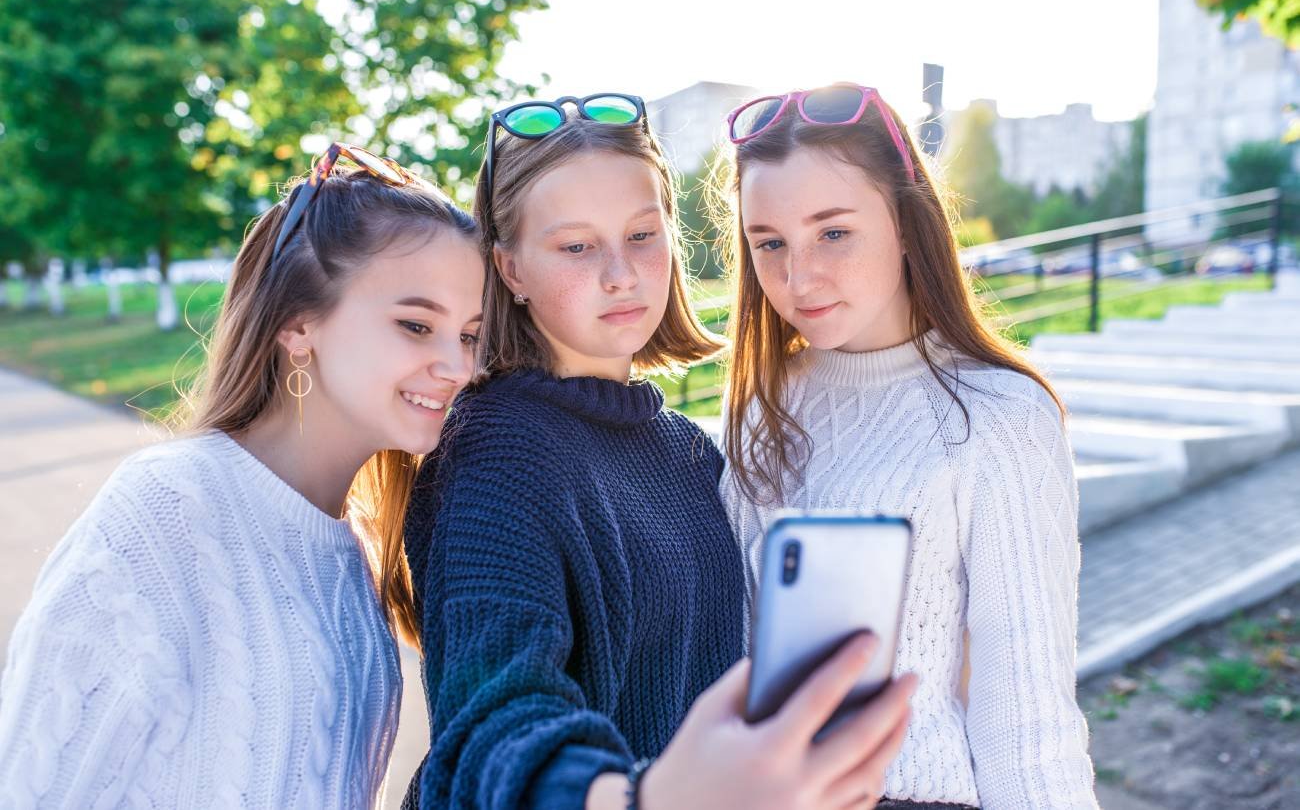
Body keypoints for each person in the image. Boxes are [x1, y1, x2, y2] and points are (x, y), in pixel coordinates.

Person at [403, 93, 916, 810]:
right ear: (510, 269)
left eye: (642, 234)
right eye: (577, 246)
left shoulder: (690, 453)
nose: (621, 273)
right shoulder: (493, 453)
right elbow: (489, 728)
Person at [0, 144, 485, 809]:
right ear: (298, 323)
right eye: (416, 324)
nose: (456, 366)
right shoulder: (168, 510)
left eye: (468, 335)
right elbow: (33, 785)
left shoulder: (359, 557)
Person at [717, 83, 1099, 809]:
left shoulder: (998, 416)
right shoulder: (757, 412)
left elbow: (1026, 712)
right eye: (770, 243)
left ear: (903, 222)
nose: (799, 277)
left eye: (833, 232)